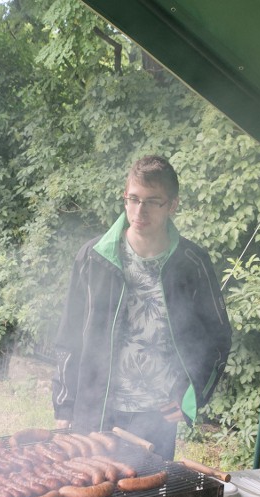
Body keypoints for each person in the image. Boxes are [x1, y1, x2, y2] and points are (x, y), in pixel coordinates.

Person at [52, 155, 231, 460]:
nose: (139, 211)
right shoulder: (93, 257)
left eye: (152, 201)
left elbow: (218, 338)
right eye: (132, 199)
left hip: (156, 416)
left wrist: (192, 393)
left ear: (172, 205)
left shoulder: (193, 263)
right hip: (95, 410)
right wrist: (64, 405)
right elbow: (69, 336)